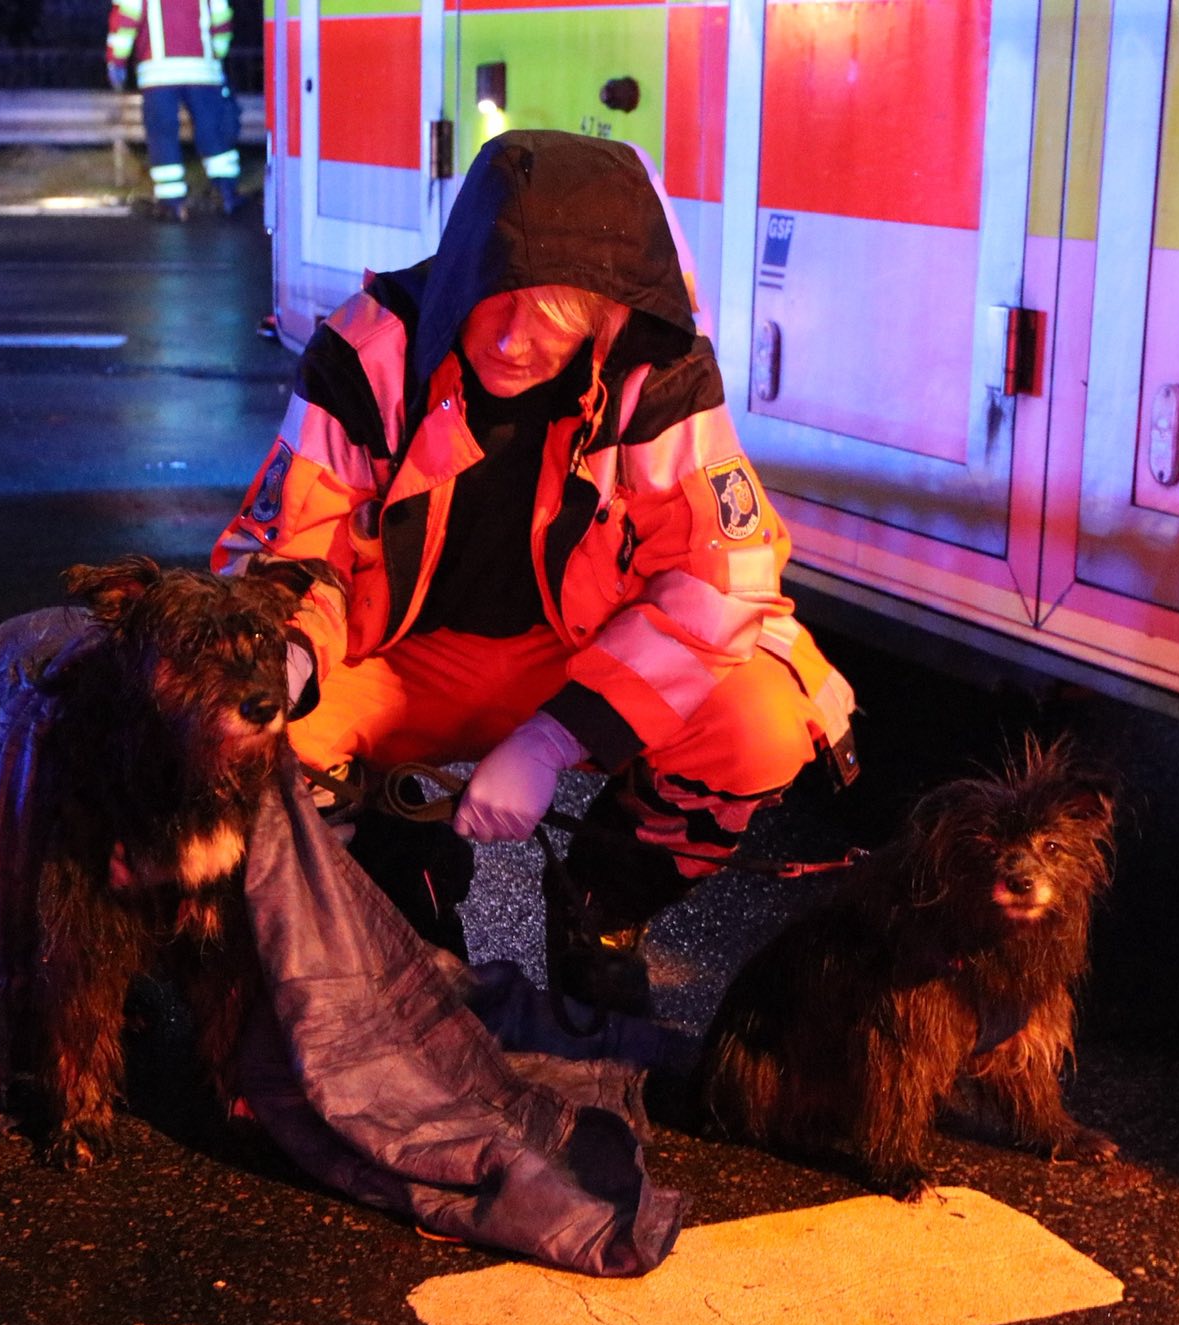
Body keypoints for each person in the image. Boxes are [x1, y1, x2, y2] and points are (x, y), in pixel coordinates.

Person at [212, 130, 857, 1017]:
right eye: (497, 300)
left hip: (576, 655)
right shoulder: (367, 351)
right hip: (393, 663)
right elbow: (293, 549)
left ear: (609, 310)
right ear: (463, 270)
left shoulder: (655, 368)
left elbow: (723, 575)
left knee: (759, 728)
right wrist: (279, 670)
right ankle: (368, 903)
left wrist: (555, 740)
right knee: (247, 735)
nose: (516, 343)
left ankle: (596, 913)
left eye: (558, 321)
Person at [106, 0, 244, 220]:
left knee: (163, 136)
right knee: (212, 133)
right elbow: (221, 18)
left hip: (158, 73)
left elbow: (126, 18)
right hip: (203, 71)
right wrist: (217, 53)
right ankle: (225, 192)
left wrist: (117, 60)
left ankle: (172, 203)